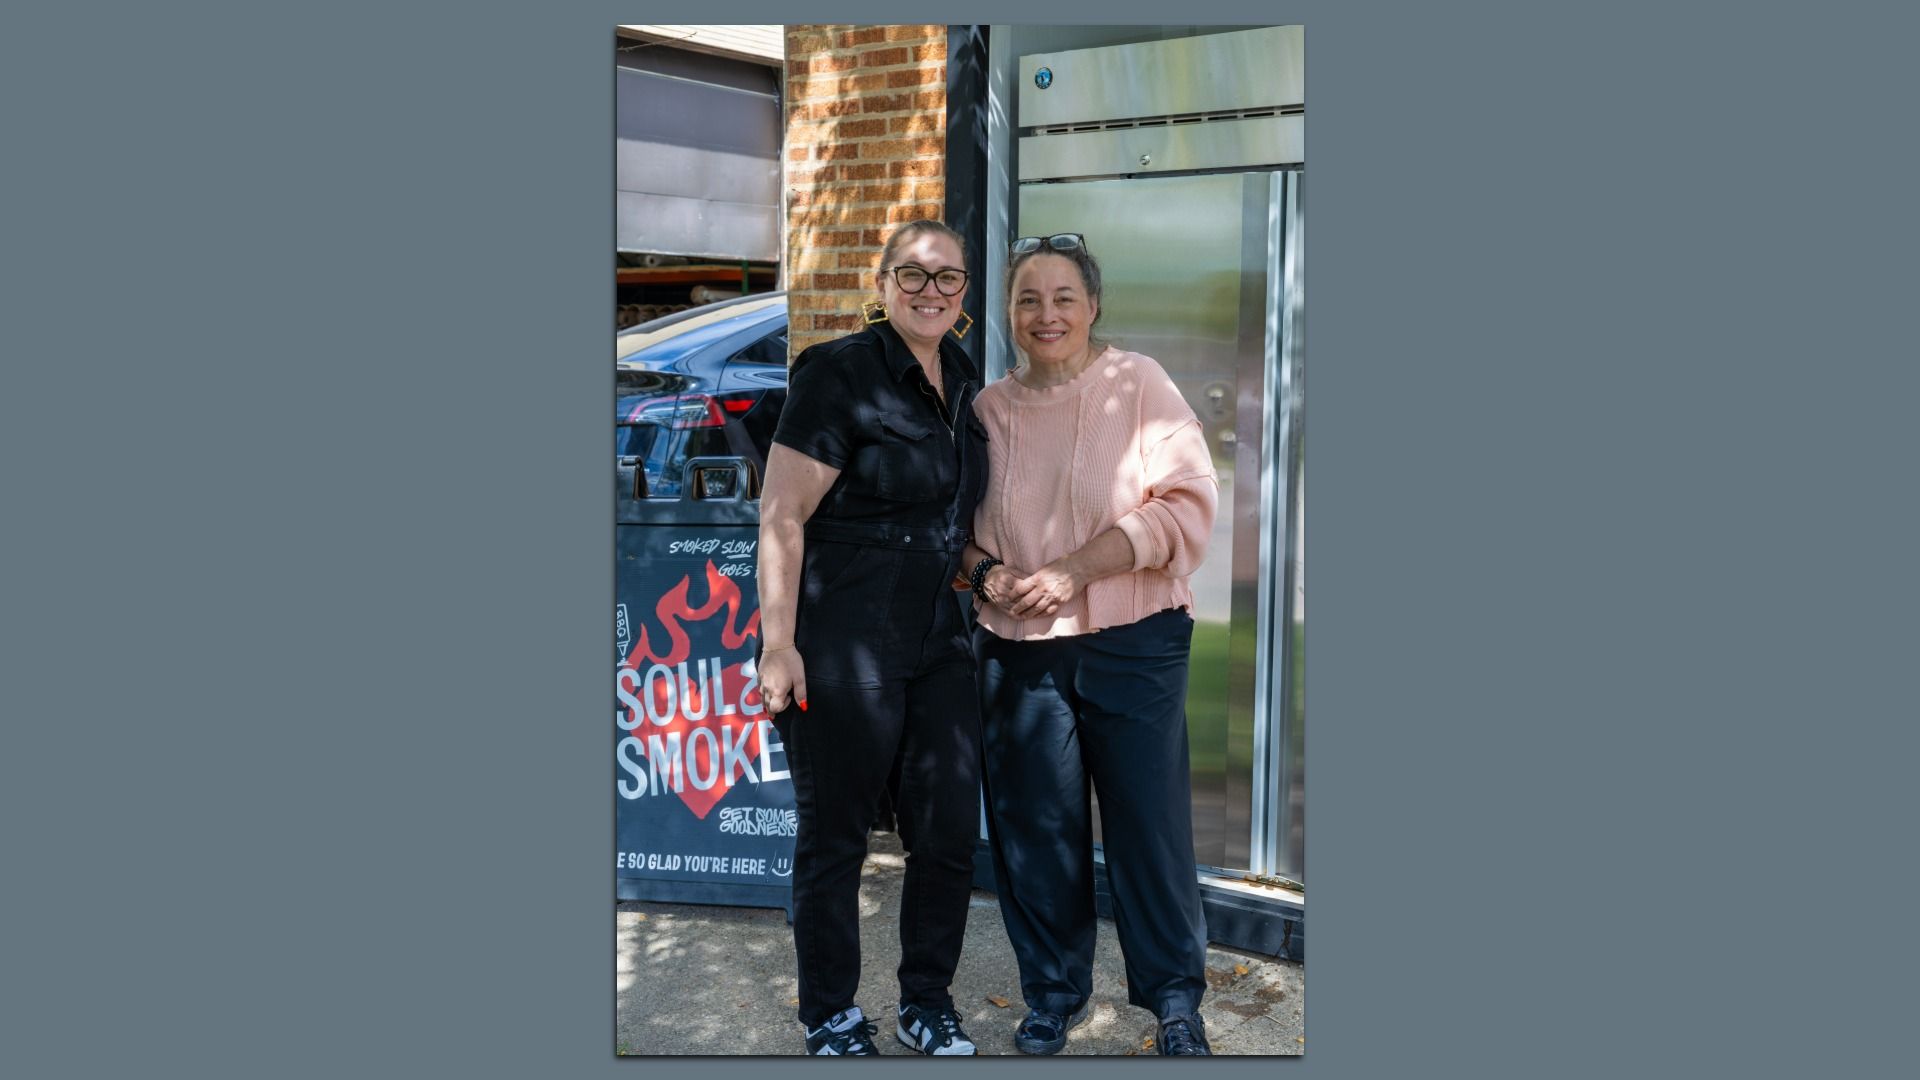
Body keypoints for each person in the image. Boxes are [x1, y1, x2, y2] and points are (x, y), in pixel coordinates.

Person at [958, 232, 1220, 1056]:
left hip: (1135, 638)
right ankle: (1053, 994)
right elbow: (951, 531)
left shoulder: (1137, 384)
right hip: (1019, 646)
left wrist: (1075, 568)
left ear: (1093, 305)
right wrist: (988, 573)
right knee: (1035, 829)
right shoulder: (986, 410)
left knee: (1148, 824)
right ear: (1006, 312)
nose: (1046, 314)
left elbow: (1187, 505)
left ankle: (1175, 999)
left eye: (1063, 297)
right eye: (1028, 298)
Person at [755, 219, 990, 1056]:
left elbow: (947, 518)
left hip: (938, 640)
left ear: (965, 295)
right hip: (846, 632)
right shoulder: (841, 372)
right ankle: (830, 1013)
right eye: (914, 276)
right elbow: (783, 513)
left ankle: (927, 1002)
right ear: (883, 284)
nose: (932, 292)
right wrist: (777, 645)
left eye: (948, 279)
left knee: (949, 832)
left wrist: (987, 572)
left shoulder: (963, 380)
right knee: (837, 837)